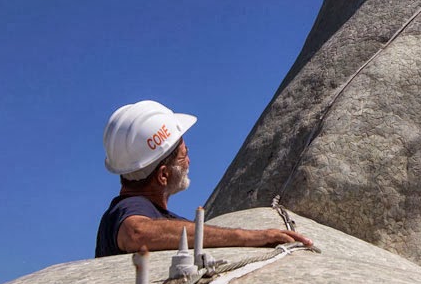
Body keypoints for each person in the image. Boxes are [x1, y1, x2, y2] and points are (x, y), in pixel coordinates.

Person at [95, 99, 313, 257]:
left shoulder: (151, 213)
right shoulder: (129, 209)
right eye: (184, 154)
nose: (189, 162)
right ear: (163, 175)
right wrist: (250, 237)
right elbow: (136, 232)